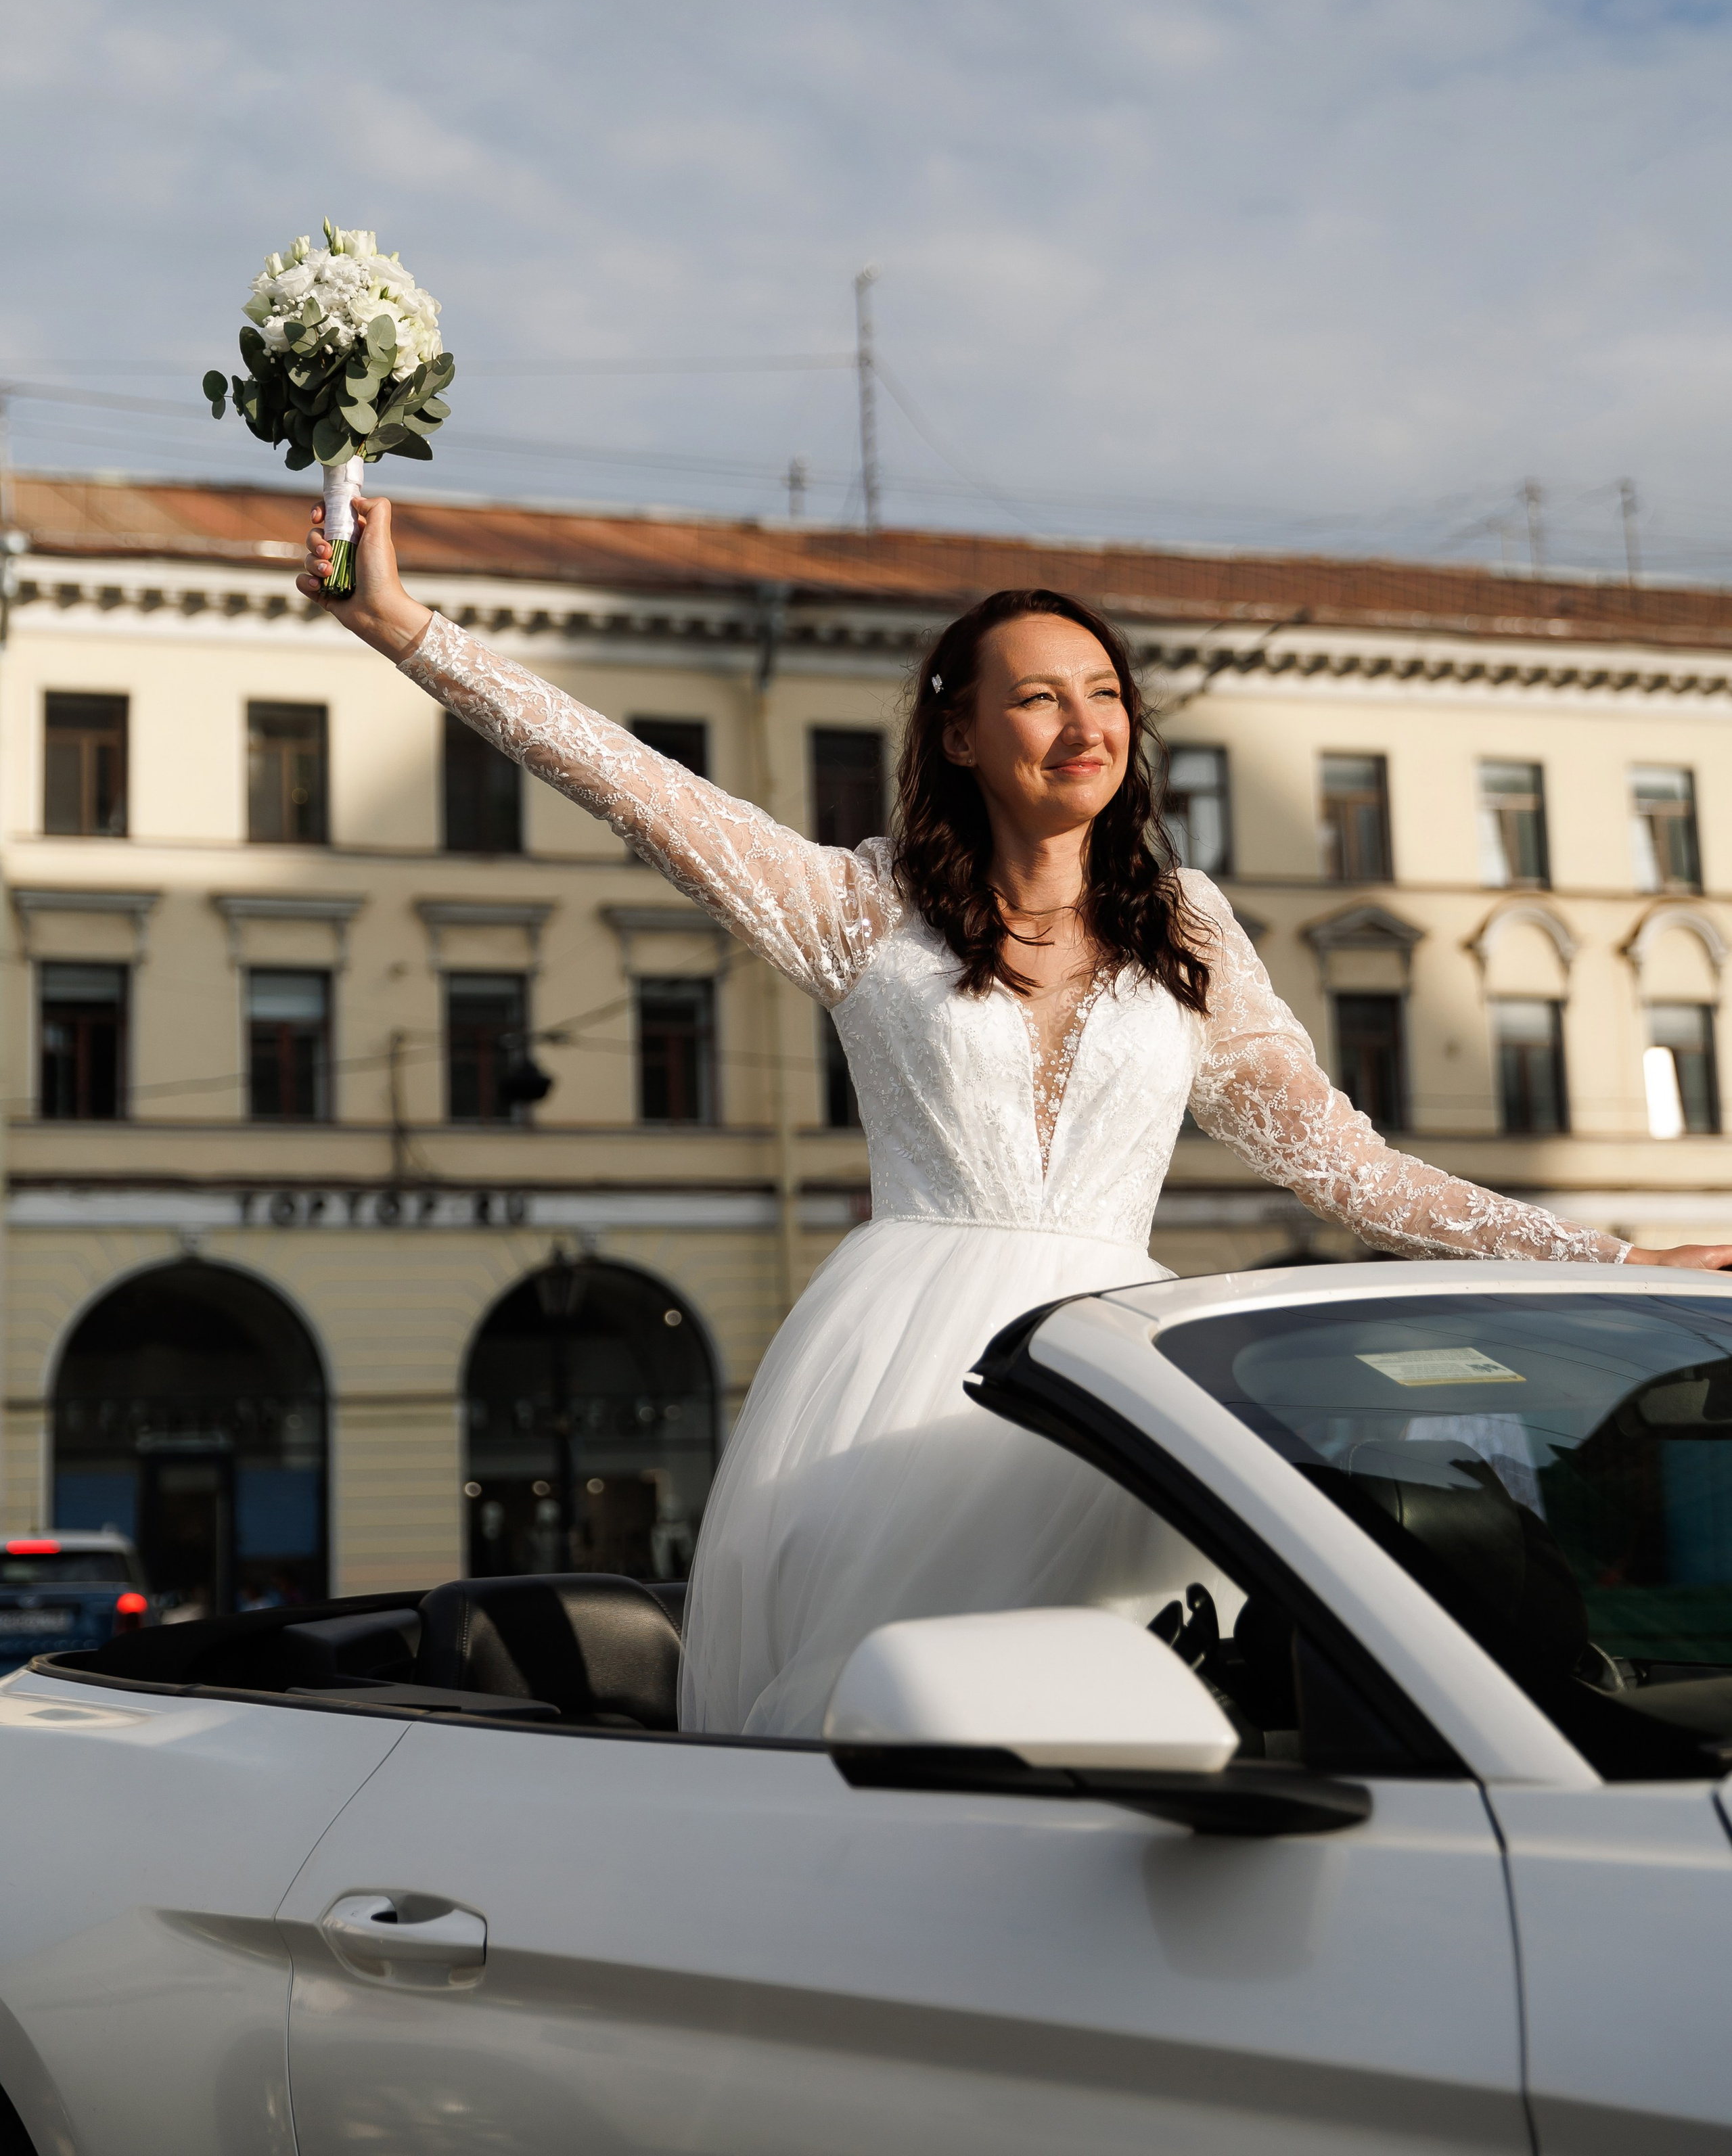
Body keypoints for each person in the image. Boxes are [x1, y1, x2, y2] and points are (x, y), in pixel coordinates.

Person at [302, 501, 1732, 1737]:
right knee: (881, 1713)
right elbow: (628, 781)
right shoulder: (860, 907)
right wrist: (407, 629)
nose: (1084, 725)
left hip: (1118, 1381)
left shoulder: (1186, 927)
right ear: (962, 732)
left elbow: (1347, 1167)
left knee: (1117, 1715)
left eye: (1105, 694)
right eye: (1040, 697)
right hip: (902, 1369)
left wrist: (1599, 1261)